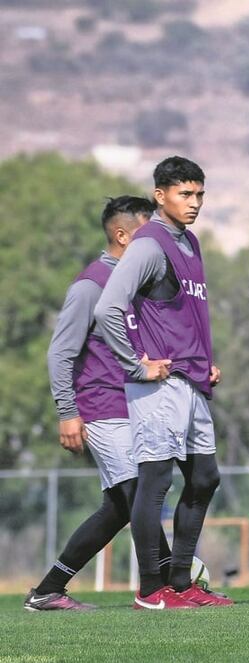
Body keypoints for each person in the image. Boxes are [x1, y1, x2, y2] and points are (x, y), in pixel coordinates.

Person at [95, 156, 231, 609]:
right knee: (155, 483)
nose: (194, 204)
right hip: (159, 385)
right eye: (184, 194)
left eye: (199, 195)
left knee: (205, 477)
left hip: (191, 381)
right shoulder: (150, 243)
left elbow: (184, 315)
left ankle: (180, 581)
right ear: (160, 196)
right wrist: (136, 366)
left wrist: (205, 361)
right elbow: (108, 307)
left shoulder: (189, 243)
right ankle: (151, 590)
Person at [24, 196, 173, 610]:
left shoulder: (139, 284)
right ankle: (163, 581)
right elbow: (60, 353)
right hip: (102, 408)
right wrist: (67, 413)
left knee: (120, 505)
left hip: (137, 407)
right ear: (123, 235)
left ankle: (48, 590)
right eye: (149, 234)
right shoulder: (91, 285)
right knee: (138, 493)